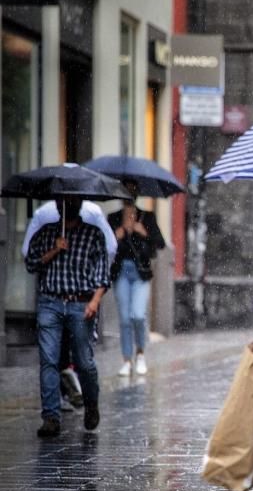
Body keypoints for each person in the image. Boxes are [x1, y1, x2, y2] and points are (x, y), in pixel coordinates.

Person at [25, 198, 110, 438]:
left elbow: (103, 275)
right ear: (58, 206)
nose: (68, 206)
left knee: (84, 362)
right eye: (63, 202)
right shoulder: (46, 233)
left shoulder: (93, 235)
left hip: (80, 304)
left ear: (79, 205)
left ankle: (91, 404)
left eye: (72, 202)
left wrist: (94, 301)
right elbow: (30, 264)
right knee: (49, 360)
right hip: (50, 303)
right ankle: (51, 416)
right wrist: (54, 250)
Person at [107, 184, 165, 377]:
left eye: (132, 191)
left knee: (138, 315)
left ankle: (140, 353)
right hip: (121, 271)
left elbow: (160, 243)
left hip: (140, 272)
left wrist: (143, 232)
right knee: (124, 318)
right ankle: (126, 359)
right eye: (125, 192)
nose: (129, 196)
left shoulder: (146, 217)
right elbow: (105, 244)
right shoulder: (113, 218)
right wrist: (117, 236)